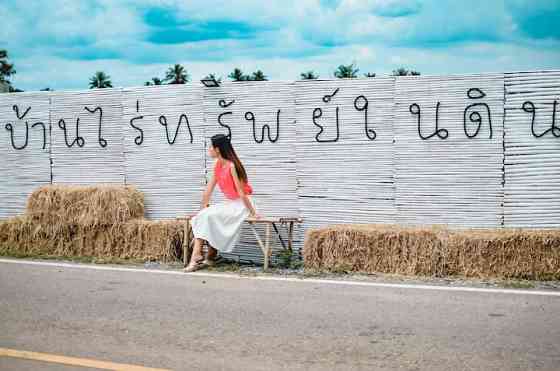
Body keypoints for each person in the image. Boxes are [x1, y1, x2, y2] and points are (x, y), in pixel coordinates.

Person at [184, 134, 262, 272]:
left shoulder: (231, 166)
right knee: (206, 215)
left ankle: (198, 256)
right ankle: (206, 256)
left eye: (211, 147)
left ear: (218, 149)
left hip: (242, 204)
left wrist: (254, 212)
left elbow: (241, 193)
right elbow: (208, 190)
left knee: (210, 216)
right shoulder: (218, 165)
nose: (209, 150)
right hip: (230, 203)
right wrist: (201, 210)